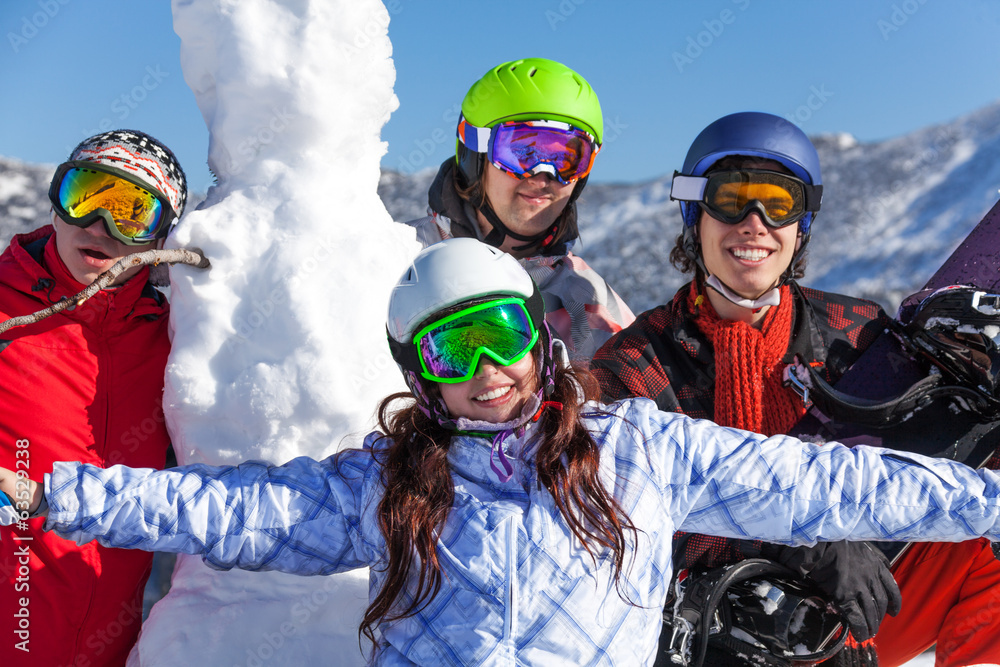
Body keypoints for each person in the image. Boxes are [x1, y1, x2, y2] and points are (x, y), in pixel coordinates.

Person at [5, 237, 1000, 666]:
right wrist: (48, 495)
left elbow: (830, 481)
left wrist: (986, 502)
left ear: (541, 336)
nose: (485, 369)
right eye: (451, 347)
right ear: (419, 372)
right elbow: (230, 510)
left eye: (502, 334)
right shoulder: (388, 486)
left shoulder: (639, 452)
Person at [590, 111, 1000, 666]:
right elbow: (625, 529)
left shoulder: (854, 333)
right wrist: (799, 537)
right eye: (731, 199)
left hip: (872, 604)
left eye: (777, 202)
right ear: (695, 213)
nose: (754, 223)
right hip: (725, 625)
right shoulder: (637, 365)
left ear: (801, 222)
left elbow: (918, 456)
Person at [0, 129, 187, 665]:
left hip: (112, 647)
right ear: (57, 203)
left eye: (133, 213)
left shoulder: (173, 339)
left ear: (159, 239)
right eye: (85, 197)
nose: (100, 228)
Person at [403, 57, 634, 361]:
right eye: (522, 152)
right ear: (475, 154)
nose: (544, 175)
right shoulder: (398, 258)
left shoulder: (592, 307)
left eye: (566, 159)